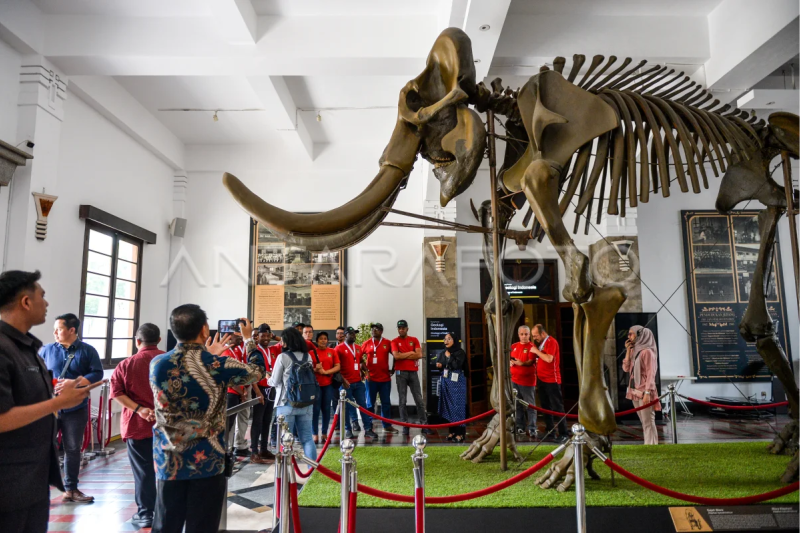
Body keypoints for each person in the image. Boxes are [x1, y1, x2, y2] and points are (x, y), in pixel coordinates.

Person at [0, 270, 98, 533]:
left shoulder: (29, 347)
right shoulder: (3, 348)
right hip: (9, 481)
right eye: (42, 296)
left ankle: (70, 486)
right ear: (25, 302)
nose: (47, 303)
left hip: (33, 479)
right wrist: (57, 403)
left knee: (73, 446)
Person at [150, 308, 264, 533]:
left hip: (168, 458)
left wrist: (205, 352)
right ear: (204, 329)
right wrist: (249, 339)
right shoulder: (217, 365)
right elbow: (257, 371)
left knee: (165, 523)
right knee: (202, 525)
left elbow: (187, 366)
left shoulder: (157, 364)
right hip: (208, 461)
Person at [40, 312, 103, 503]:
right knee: (44, 447)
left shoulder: (87, 351)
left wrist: (74, 383)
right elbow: (37, 373)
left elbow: (97, 373)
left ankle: (71, 489)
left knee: (73, 448)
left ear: (72, 330)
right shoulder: (47, 350)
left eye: (59, 329)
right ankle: (39, 489)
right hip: (50, 408)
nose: (55, 333)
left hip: (76, 408)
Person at [109, 323, 164, 529]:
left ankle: (146, 514)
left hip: (138, 426)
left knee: (143, 471)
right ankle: (168, 509)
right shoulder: (169, 361)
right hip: (169, 426)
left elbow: (116, 393)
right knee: (170, 468)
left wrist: (139, 409)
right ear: (159, 340)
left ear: (137, 341)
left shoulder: (126, 364)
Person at [267, 327, 317, 460]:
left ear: (287, 341)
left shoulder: (283, 357)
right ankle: (311, 470)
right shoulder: (308, 356)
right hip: (306, 403)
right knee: (307, 439)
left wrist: (267, 378)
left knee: (285, 440)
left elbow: (275, 381)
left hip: (286, 404)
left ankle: (285, 473)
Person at [391, 320, 432, 436]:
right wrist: (411, 352)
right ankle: (405, 425)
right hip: (400, 374)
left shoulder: (414, 340)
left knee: (419, 399)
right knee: (402, 400)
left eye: (403, 328)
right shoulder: (394, 341)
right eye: (399, 328)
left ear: (407, 329)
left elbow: (419, 354)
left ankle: (424, 425)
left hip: (413, 373)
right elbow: (396, 356)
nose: (401, 330)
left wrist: (403, 354)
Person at [623, 325, 661, 445]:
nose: (629, 337)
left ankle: (651, 445)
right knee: (644, 421)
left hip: (644, 391)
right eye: (628, 334)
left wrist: (648, 392)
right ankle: (649, 443)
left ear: (641, 335)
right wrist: (628, 352)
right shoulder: (635, 350)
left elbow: (651, 374)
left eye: (631, 334)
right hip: (634, 390)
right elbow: (625, 368)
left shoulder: (648, 352)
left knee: (648, 421)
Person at [530, 324, 568, 442]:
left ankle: (564, 433)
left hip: (552, 379)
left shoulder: (551, 342)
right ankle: (550, 431)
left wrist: (536, 351)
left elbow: (549, 358)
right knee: (546, 406)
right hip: (542, 379)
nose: (534, 338)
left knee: (557, 406)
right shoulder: (542, 343)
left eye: (535, 336)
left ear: (542, 333)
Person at [361, 323, 398, 437]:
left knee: (385, 403)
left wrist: (393, 368)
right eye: (373, 329)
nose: (374, 331)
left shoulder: (387, 342)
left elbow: (396, 355)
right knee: (370, 403)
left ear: (381, 331)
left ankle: (387, 425)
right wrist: (365, 371)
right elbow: (358, 357)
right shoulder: (366, 343)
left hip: (385, 379)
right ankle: (369, 426)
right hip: (371, 379)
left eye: (376, 329)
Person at [334, 327, 371, 439]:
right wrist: (343, 380)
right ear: (345, 335)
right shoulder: (338, 349)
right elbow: (336, 367)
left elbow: (361, 361)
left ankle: (368, 429)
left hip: (358, 383)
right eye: (351, 334)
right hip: (345, 384)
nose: (354, 336)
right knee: (345, 408)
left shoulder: (358, 348)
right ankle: (348, 430)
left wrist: (366, 371)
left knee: (363, 406)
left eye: (355, 334)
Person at [250, 324, 279, 464]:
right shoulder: (255, 351)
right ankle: (254, 451)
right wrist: (256, 392)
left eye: (268, 336)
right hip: (260, 390)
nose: (266, 338)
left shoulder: (273, 350)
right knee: (257, 421)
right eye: (263, 336)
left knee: (267, 420)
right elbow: (251, 373)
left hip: (271, 389)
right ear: (257, 337)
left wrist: (274, 336)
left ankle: (263, 449)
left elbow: (284, 341)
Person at [435, 332, 467, 443]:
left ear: (455, 340)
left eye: (449, 339)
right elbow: (439, 363)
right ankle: (452, 431)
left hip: (457, 382)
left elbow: (457, 365)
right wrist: (440, 365)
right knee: (448, 407)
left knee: (457, 407)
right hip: (446, 382)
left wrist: (448, 358)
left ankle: (460, 433)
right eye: (445, 339)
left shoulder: (460, 352)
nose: (446, 341)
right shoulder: (443, 352)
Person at [222, 331, 250, 457]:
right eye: (236, 337)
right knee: (229, 423)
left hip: (239, 391)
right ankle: (224, 451)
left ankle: (232, 448)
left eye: (240, 336)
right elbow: (229, 379)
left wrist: (244, 390)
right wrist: (241, 392)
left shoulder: (237, 350)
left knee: (234, 422)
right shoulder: (225, 353)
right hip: (231, 393)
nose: (240, 338)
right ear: (228, 338)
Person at [311, 331, 340, 443]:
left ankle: (324, 433)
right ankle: (314, 434)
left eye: (325, 338)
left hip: (328, 385)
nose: (323, 340)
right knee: (315, 410)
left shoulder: (332, 352)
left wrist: (325, 372)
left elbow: (338, 366)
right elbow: (307, 369)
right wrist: (316, 369)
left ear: (328, 341)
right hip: (316, 385)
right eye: (321, 339)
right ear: (317, 341)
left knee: (327, 409)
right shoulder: (311, 352)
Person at [510, 325, 538, 438]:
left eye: (526, 334)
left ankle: (532, 428)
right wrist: (509, 362)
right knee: (517, 405)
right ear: (518, 335)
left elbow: (530, 361)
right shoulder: (513, 346)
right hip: (514, 380)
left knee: (530, 406)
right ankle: (520, 426)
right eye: (522, 334)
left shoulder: (532, 346)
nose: (524, 336)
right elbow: (509, 358)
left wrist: (522, 363)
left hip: (527, 382)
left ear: (529, 335)